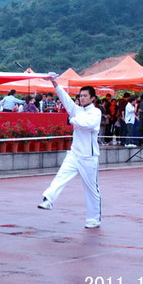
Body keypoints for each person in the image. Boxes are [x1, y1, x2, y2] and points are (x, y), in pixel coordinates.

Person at [37, 74, 102, 229]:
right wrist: (54, 82)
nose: (82, 98)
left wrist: (72, 120)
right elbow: (65, 98)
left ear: (92, 98)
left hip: (88, 157)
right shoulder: (77, 110)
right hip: (74, 154)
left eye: (85, 96)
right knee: (61, 176)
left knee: (91, 190)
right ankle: (48, 199)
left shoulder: (96, 113)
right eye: (80, 95)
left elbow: (87, 124)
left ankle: (94, 219)